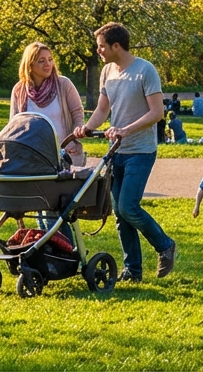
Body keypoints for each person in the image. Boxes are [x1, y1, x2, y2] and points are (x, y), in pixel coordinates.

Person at [76, 22, 177, 281]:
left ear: (116, 46)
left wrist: (125, 130)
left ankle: (165, 245)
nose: (98, 51)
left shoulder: (145, 71)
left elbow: (157, 112)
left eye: (101, 47)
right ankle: (133, 270)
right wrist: (86, 128)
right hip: (116, 152)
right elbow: (102, 109)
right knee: (120, 213)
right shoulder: (108, 71)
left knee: (128, 206)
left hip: (140, 151)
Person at [10, 42, 86, 167]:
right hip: (33, 155)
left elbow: (77, 113)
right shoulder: (19, 90)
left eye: (50, 59)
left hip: (64, 152)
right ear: (30, 65)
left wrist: (72, 139)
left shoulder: (63, 84)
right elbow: (14, 125)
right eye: (41, 61)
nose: (48, 64)